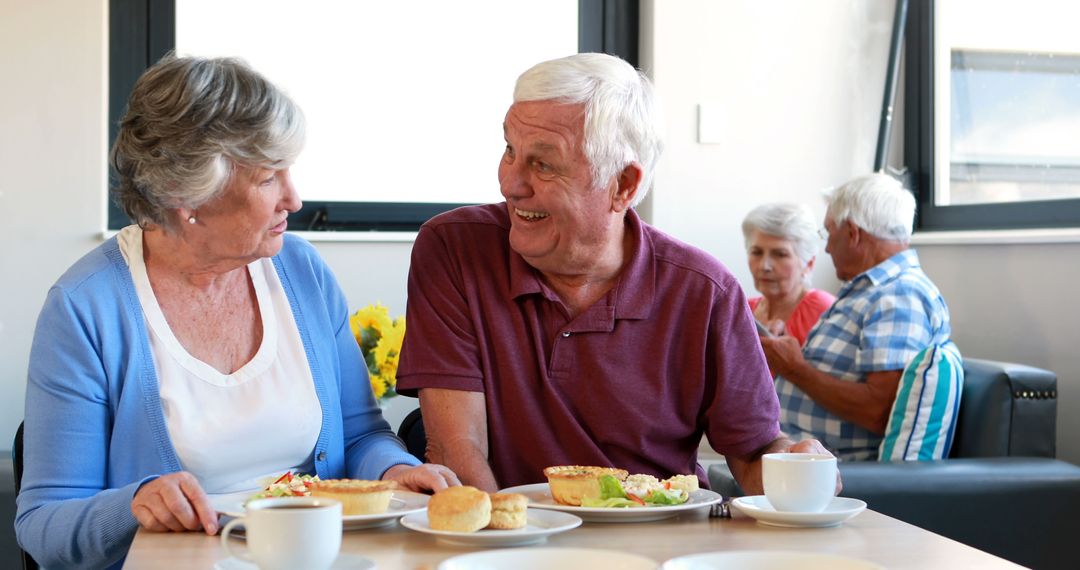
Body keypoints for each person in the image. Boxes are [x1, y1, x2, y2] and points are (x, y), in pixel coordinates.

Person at [15, 55, 459, 569]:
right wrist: (135, 504)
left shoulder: (302, 271)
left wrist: (393, 471)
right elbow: (43, 525)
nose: (293, 198)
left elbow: (361, 435)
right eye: (269, 178)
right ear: (188, 196)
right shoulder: (86, 307)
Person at [395, 53, 835, 494]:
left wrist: (796, 465)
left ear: (623, 185)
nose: (510, 183)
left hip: (656, 546)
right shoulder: (453, 248)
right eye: (511, 149)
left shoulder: (705, 291)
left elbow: (754, 454)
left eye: (543, 164)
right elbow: (457, 450)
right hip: (516, 540)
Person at [761, 173, 960, 460]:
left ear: (853, 233)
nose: (827, 247)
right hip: (799, 455)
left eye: (829, 233)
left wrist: (795, 369)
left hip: (835, 471)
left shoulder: (899, 296)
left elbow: (876, 411)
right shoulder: (868, 291)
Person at [742, 202, 835, 344]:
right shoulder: (742, 310)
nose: (764, 266)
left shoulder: (827, 311)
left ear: (808, 263)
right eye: (757, 252)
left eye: (780, 254)